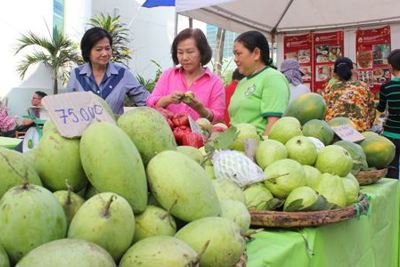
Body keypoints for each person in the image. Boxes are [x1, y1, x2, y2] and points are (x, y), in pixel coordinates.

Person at [146, 28, 225, 122]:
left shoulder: (215, 82)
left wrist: (201, 109)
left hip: (199, 136)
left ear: (202, 52)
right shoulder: (168, 75)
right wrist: (169, 99)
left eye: (190, 52)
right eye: (180, 52)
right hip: (167, 133)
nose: (184, 57)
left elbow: (218, 118)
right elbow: (150, 103)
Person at [66, 27, 149, 115]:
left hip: (114, 128)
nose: (105, 53)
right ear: (87, 52)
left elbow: (146, 101)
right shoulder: (76, 75)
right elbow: (68, 108)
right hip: (85, 128)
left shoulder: (122, 74)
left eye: (107, 48)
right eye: (99, 49)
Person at [228, 31, 290, 135]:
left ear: (256, 53)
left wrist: (261, 149)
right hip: (236, 148)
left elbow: (274, 124)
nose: (235, 59)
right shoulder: (242, 82)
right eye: (234, 54)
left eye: (238, 54)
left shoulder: (273, 78)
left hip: (257, 148)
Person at [321, 57, 375, 132]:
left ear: (335, 73)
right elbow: (371, 111)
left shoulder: (329, 88)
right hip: (358, 131)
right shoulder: (362, 86)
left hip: (335, 131)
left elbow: (323, 111)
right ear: (352, 70)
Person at [376, 49, 400, 179]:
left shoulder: (386, 87)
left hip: (391, 135)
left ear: (390, 66)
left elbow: (380, 108)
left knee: (392, 171)